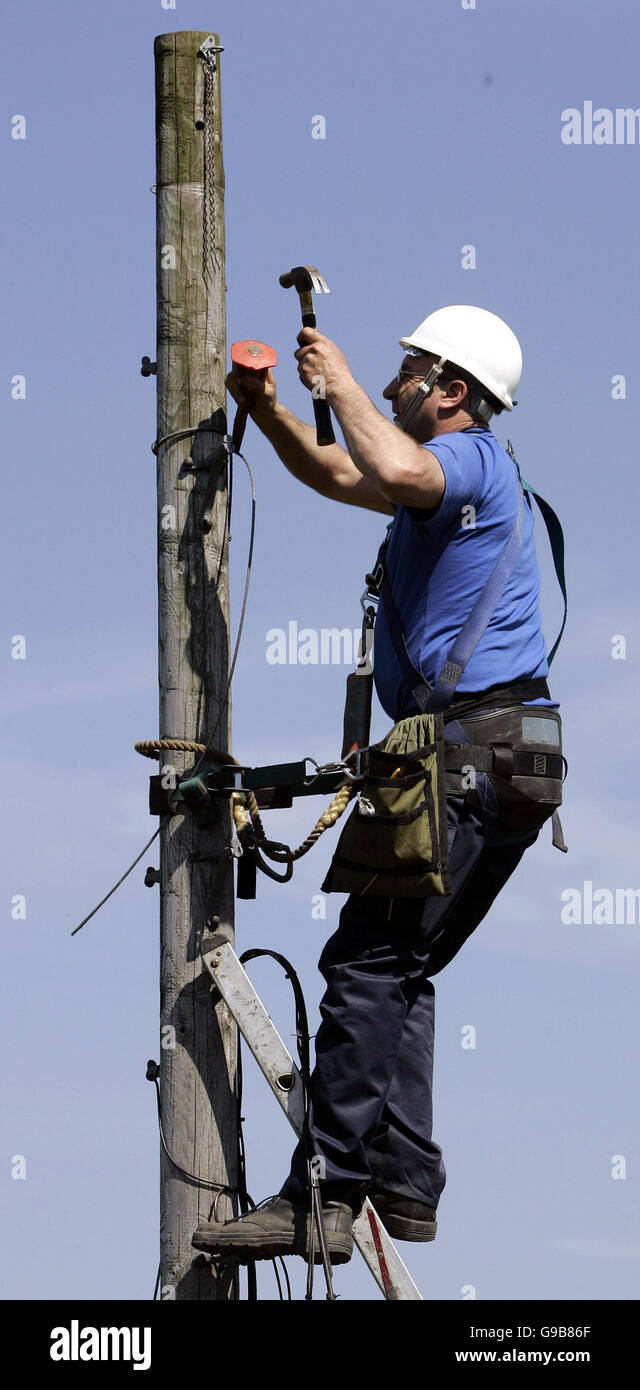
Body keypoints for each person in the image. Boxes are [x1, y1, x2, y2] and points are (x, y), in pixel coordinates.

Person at [192, 304, 559, 1268]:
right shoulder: (444, 488)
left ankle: (330, 1191)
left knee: (365, 964)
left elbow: (393, 466)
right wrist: (272, 407)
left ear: (452, 391)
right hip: (512, 753)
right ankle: (405, 1179)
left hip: (471, 752)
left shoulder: (471, 458)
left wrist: (339, 378)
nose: (396, 379)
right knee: (403, 963)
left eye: (411, 368)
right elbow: (340, 470)